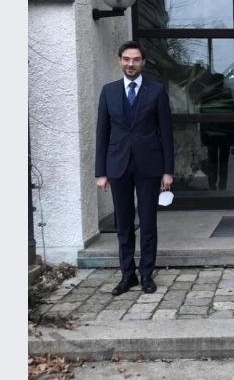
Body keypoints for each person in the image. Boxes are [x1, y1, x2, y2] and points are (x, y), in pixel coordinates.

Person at [95, 40, 174, 296]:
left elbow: (166, 133)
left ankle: (146, 274)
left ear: (143, 62)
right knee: (124, 225)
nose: (131, 64)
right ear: (120, 61)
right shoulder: (108, 91)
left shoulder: (157, 90)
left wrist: (168, 170)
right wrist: (100, 172)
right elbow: (102, 133)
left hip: (149, 166)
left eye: (136, 59)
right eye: (127, 59)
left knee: (148, 223)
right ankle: (127, 275)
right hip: (117, 166)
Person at [199, 72, 234, 191]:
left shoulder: (207, 96)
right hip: (223, 134)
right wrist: (233, 139)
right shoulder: (226, 95)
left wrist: (203, 137)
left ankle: (213, 186)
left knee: (213, 162)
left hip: (213, 134)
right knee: (222, 163)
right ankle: (221, 186)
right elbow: (233, 117)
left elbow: (202, 117)